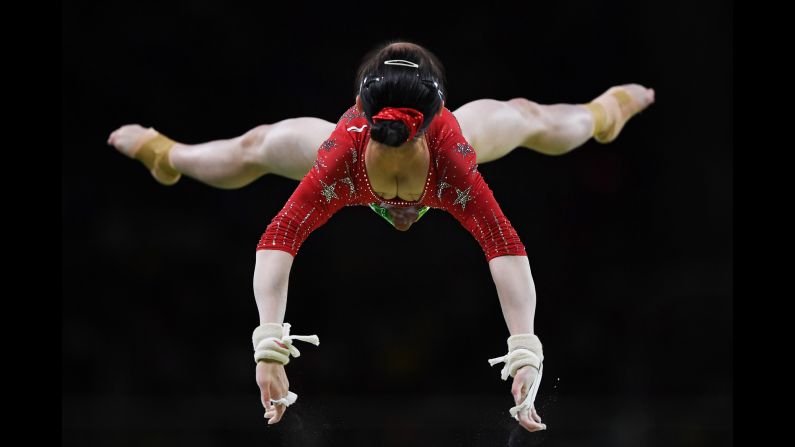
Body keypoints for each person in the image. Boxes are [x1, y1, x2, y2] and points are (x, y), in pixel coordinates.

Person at [107, 41, 654, 433]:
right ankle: (166, 154)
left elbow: (503, 248)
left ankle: (604, 113)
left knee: (528, 117)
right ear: (364, 120)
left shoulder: (454, 157)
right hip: (353, 169)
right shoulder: (339, 153)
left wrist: (525, 351)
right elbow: (280, 238)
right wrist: (268, 344)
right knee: (255, 146)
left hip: (425, 167)